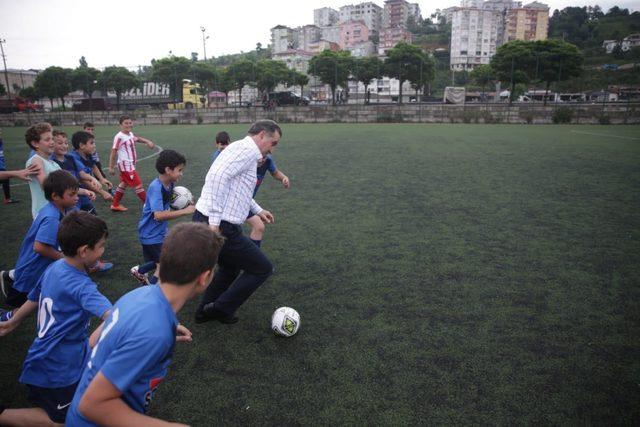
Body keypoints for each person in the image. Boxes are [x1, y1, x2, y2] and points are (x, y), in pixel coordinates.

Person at [65, 222, 223, 426]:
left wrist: (155, 330)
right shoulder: (153, 331)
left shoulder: (140, 295)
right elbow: (91, 405)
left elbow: (99, 338)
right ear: (205, 277)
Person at [0, 211, 113, 427]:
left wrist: (13, 322)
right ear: (84, 251)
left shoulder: (55, 267)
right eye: (101, 246)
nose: (103, 250)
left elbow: (35, 296)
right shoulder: (82, 286)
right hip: (58, 370)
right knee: (62, 422)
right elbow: (114, 317)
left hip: (46, 358)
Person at [192, 119, 280, 324]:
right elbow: (217, 177)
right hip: (220, 225)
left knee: (230, 269)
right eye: (273, 143)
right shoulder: (247, 150)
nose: (272, 149)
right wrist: (214, 224)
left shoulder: (245, 151)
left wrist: (258, 210)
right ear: (261, 136)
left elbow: (239, 188)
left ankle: (205, 312)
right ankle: (220, 309)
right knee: (262, 268)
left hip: (217, 221)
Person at [0, 170, 79, 321]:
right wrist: (64, 258)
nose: (76, 197)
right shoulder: (51, 218)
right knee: (19, 302)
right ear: (56, 196)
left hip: (38, 265)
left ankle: (10, 278)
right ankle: (9, 283)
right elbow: (39, 247)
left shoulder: (58, 208)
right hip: (32, 267)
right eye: (72, 194)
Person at [130, 150, 195, 285]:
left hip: (159, 232)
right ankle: (152, 294)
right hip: (151, 235)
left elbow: (169, 205)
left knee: (165, 257)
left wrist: (185, 204)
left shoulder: (170, 184)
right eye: (179, 170)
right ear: (168, 170)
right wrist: (185, 211)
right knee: (163, 265)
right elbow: (158, 215)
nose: (181, 173)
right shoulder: (156, 187)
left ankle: (140, 271)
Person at [108, 116, 155, 212]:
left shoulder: (129, 134)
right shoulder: (119, 137)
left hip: (130, 165)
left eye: (130, 123)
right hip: (126, 165)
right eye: (126, 123)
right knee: (138, 186)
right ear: (120, 125)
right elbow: (113, 152)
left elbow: (137, 139)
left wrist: (147, 141)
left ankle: (115, 205)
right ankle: (150, 206)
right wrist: (111, 167)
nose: (129, 125)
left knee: (123, 184)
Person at [246, 154, 289, 247]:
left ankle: (253, 257)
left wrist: (283, 178)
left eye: (264, 157)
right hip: (236, 200)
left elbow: (275, 172)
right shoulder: (245, 162)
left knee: (259, 227)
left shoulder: (268, 160)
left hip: (247, 202)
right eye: (260, 158)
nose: (262, 160)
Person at [50, 130, 98, 214]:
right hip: (69, 197)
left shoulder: (70, 158)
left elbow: (81, 174)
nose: (64, 146)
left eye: (66, 143)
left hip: (81, 194)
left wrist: (92, 179)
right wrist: (84, 191)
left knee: (92, 217)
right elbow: (63, 186)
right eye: (60, 143)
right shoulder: (52, 163)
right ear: (52, 144)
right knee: (74, 221)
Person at [24, 122, 61, 219]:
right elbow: (45, 185)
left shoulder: (54, 164)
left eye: (52, 138)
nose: (52, 142)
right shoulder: (36, 160)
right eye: (47, 139)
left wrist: (83, 191)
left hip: (55, 211)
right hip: (44, 214)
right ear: (35, 143)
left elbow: (66, 185)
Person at [82, 122, 113, 197]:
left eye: (91, 129)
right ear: (84, 129)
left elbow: (93, 150)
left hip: (95, 160)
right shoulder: (82, 139)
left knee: (100, 175)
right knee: (88, 177)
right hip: (87, 161)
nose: (90, 131)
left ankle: (108, 189)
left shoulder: (91, 137)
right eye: (88, 129)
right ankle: (92, 190)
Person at [0, 128, 20, 204]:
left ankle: (7, 199)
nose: (0, 131)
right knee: (5, 177)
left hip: (2, 167)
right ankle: (7, 199)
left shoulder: (0, 141)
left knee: (5, 178)